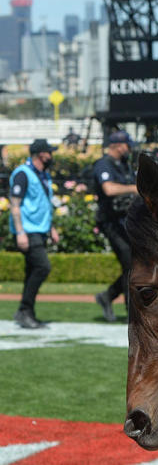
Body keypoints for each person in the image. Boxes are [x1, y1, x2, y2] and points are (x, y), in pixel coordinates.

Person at [8, 139, 59, 329]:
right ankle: (24, 310)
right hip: (27, 230)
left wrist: (51, 227)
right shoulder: (23, 173)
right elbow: (14, 204)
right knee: (42, 267)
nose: (51, 156)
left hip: (39, 230)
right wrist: (20, 232)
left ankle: (26, 312)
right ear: (41, 155)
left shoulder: (43, 175)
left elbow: (43, 203)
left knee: (32, 271)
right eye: (49, 152)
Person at [93, 131, 138, 322]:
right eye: (127, 146)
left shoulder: (123, 165)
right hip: (111, 222)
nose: (130, 149)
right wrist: (135, 188)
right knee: (130, 264)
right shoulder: (104, 164)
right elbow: (109, 189)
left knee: (134, 265)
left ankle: (108, 296)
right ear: (118, 146)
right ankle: (131, 313)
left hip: (125, 221)